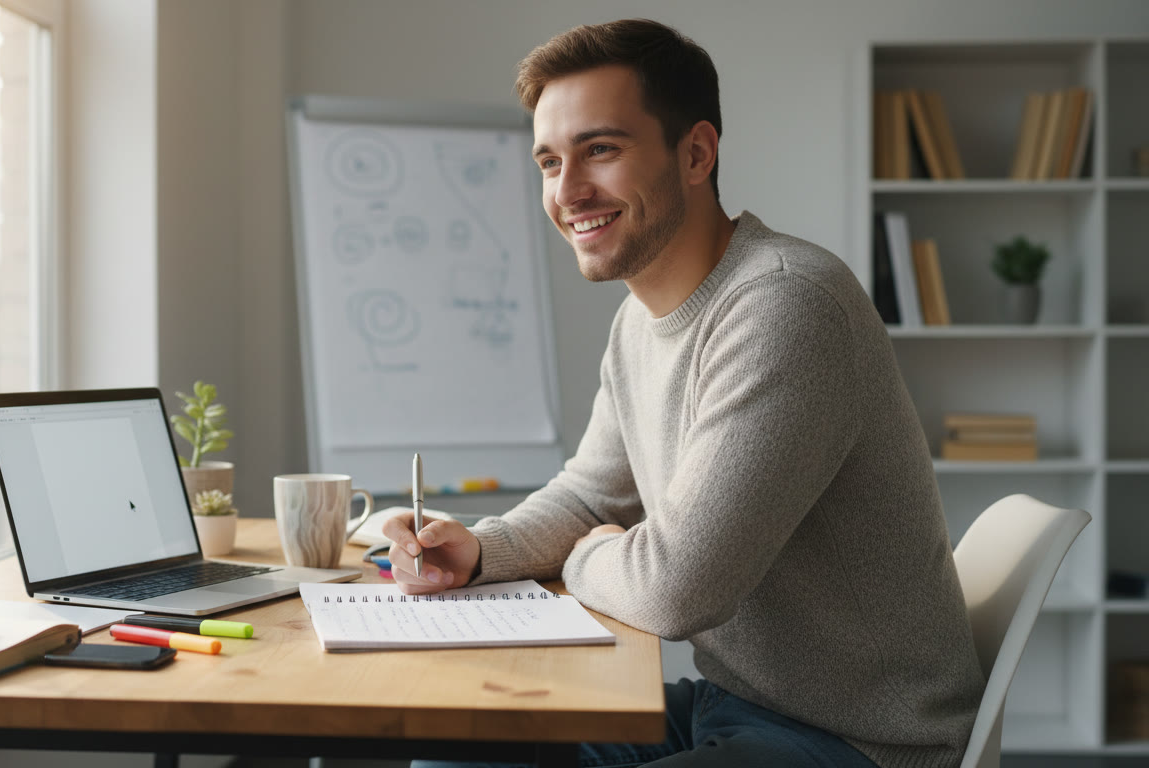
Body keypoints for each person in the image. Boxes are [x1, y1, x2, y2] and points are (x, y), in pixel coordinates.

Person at [382, 18, 983, 768]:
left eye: (600, 150)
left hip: (858, 739)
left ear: (695, 153)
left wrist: (586, 557)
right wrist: (477, 549)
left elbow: (675, 591)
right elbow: (592, 501)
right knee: (458, 746)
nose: (567, 192)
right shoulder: (640, 320)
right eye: (548, 161)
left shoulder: (787, 306)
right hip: (735, 703)